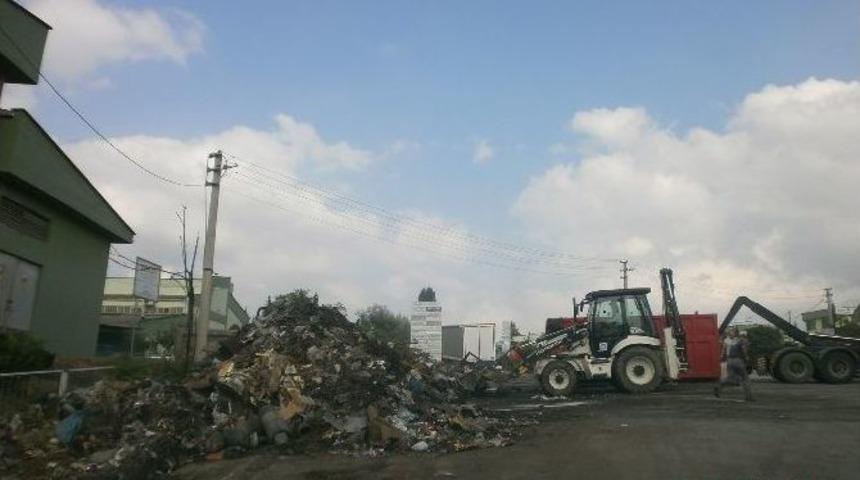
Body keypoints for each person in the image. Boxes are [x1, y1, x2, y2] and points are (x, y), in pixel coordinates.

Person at [714, 326, 754, 401]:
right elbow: (744, 350)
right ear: (737, 333)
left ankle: (719, 386)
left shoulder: (726, 340)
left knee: (730, 378)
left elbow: (722, 352)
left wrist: (721, 358)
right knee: (745, 378)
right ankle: (749, 397)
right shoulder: (740, 340)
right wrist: (747, 358)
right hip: (738, 360)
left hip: (729, 361)